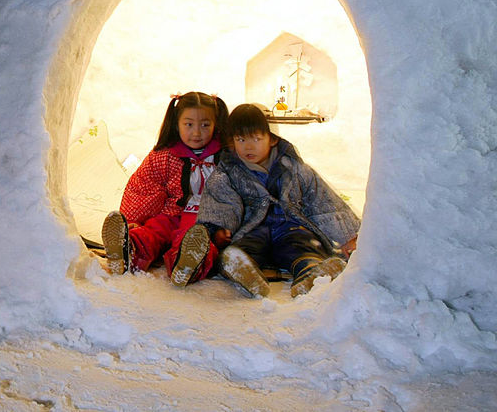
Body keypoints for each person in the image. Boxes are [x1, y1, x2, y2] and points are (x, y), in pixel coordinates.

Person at [173, 104, 360, 298]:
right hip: (252, 227)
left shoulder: (294, 168)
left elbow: (322, 201)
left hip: (290, 225)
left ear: (271, 139)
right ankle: (242, 270)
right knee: (243, 247)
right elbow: (222, 202)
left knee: (303, 244)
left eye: (256, 138)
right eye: (241, 139)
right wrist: (218, 229)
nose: (248, 146)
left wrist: (348, 234)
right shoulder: (228, 172)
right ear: (232, 142)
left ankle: (311, 273)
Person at [102, 92, 230, 284]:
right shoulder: (165, 155)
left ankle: (186, 265)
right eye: (189, 124)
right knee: (154, 231)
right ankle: (128, 250)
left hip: (204, 218)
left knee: (192, 239)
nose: (196, 132)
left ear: (215, 124)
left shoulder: (226, 156)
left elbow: (237, 191)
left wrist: (228, 225)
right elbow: (143, 186)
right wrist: (133, 219)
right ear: (176, 123)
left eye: (205, 125)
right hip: (171, 213)